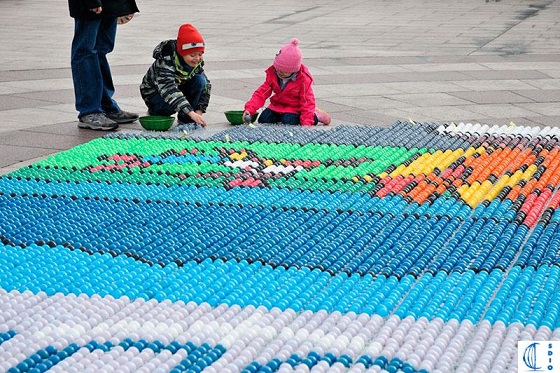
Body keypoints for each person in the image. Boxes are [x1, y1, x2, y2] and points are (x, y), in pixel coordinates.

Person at [68, 0, 140, 130]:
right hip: (90, 6)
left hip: (110, 4)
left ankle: (105, 106)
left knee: (101, 49)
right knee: (86, 52)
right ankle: (89, 110)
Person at [243, 38, 331, 126]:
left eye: (284, 71)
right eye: (278, 69)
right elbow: (261, 93)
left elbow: (307, 102)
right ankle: (282, 117)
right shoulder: (273, 75)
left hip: (295, 108)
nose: (279, 72)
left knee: (288, 120)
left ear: (293, 70)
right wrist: (249, 109)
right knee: (264, 119)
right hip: (278, 106)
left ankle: (316, 115)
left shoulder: (303, 80)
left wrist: (307, 123)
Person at [140, 24, 211, 128]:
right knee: (167, 107)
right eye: (192, 55)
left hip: (178, 88)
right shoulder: (165, 61)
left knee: (201, 80)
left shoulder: (197, 62)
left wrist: (199, 111)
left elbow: (206, 86)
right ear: (182, 53)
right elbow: (169, 89)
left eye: (200, 54)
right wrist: (190, 112)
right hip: (156, 95)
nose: (197, 58)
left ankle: (186, 118)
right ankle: (157, 113)